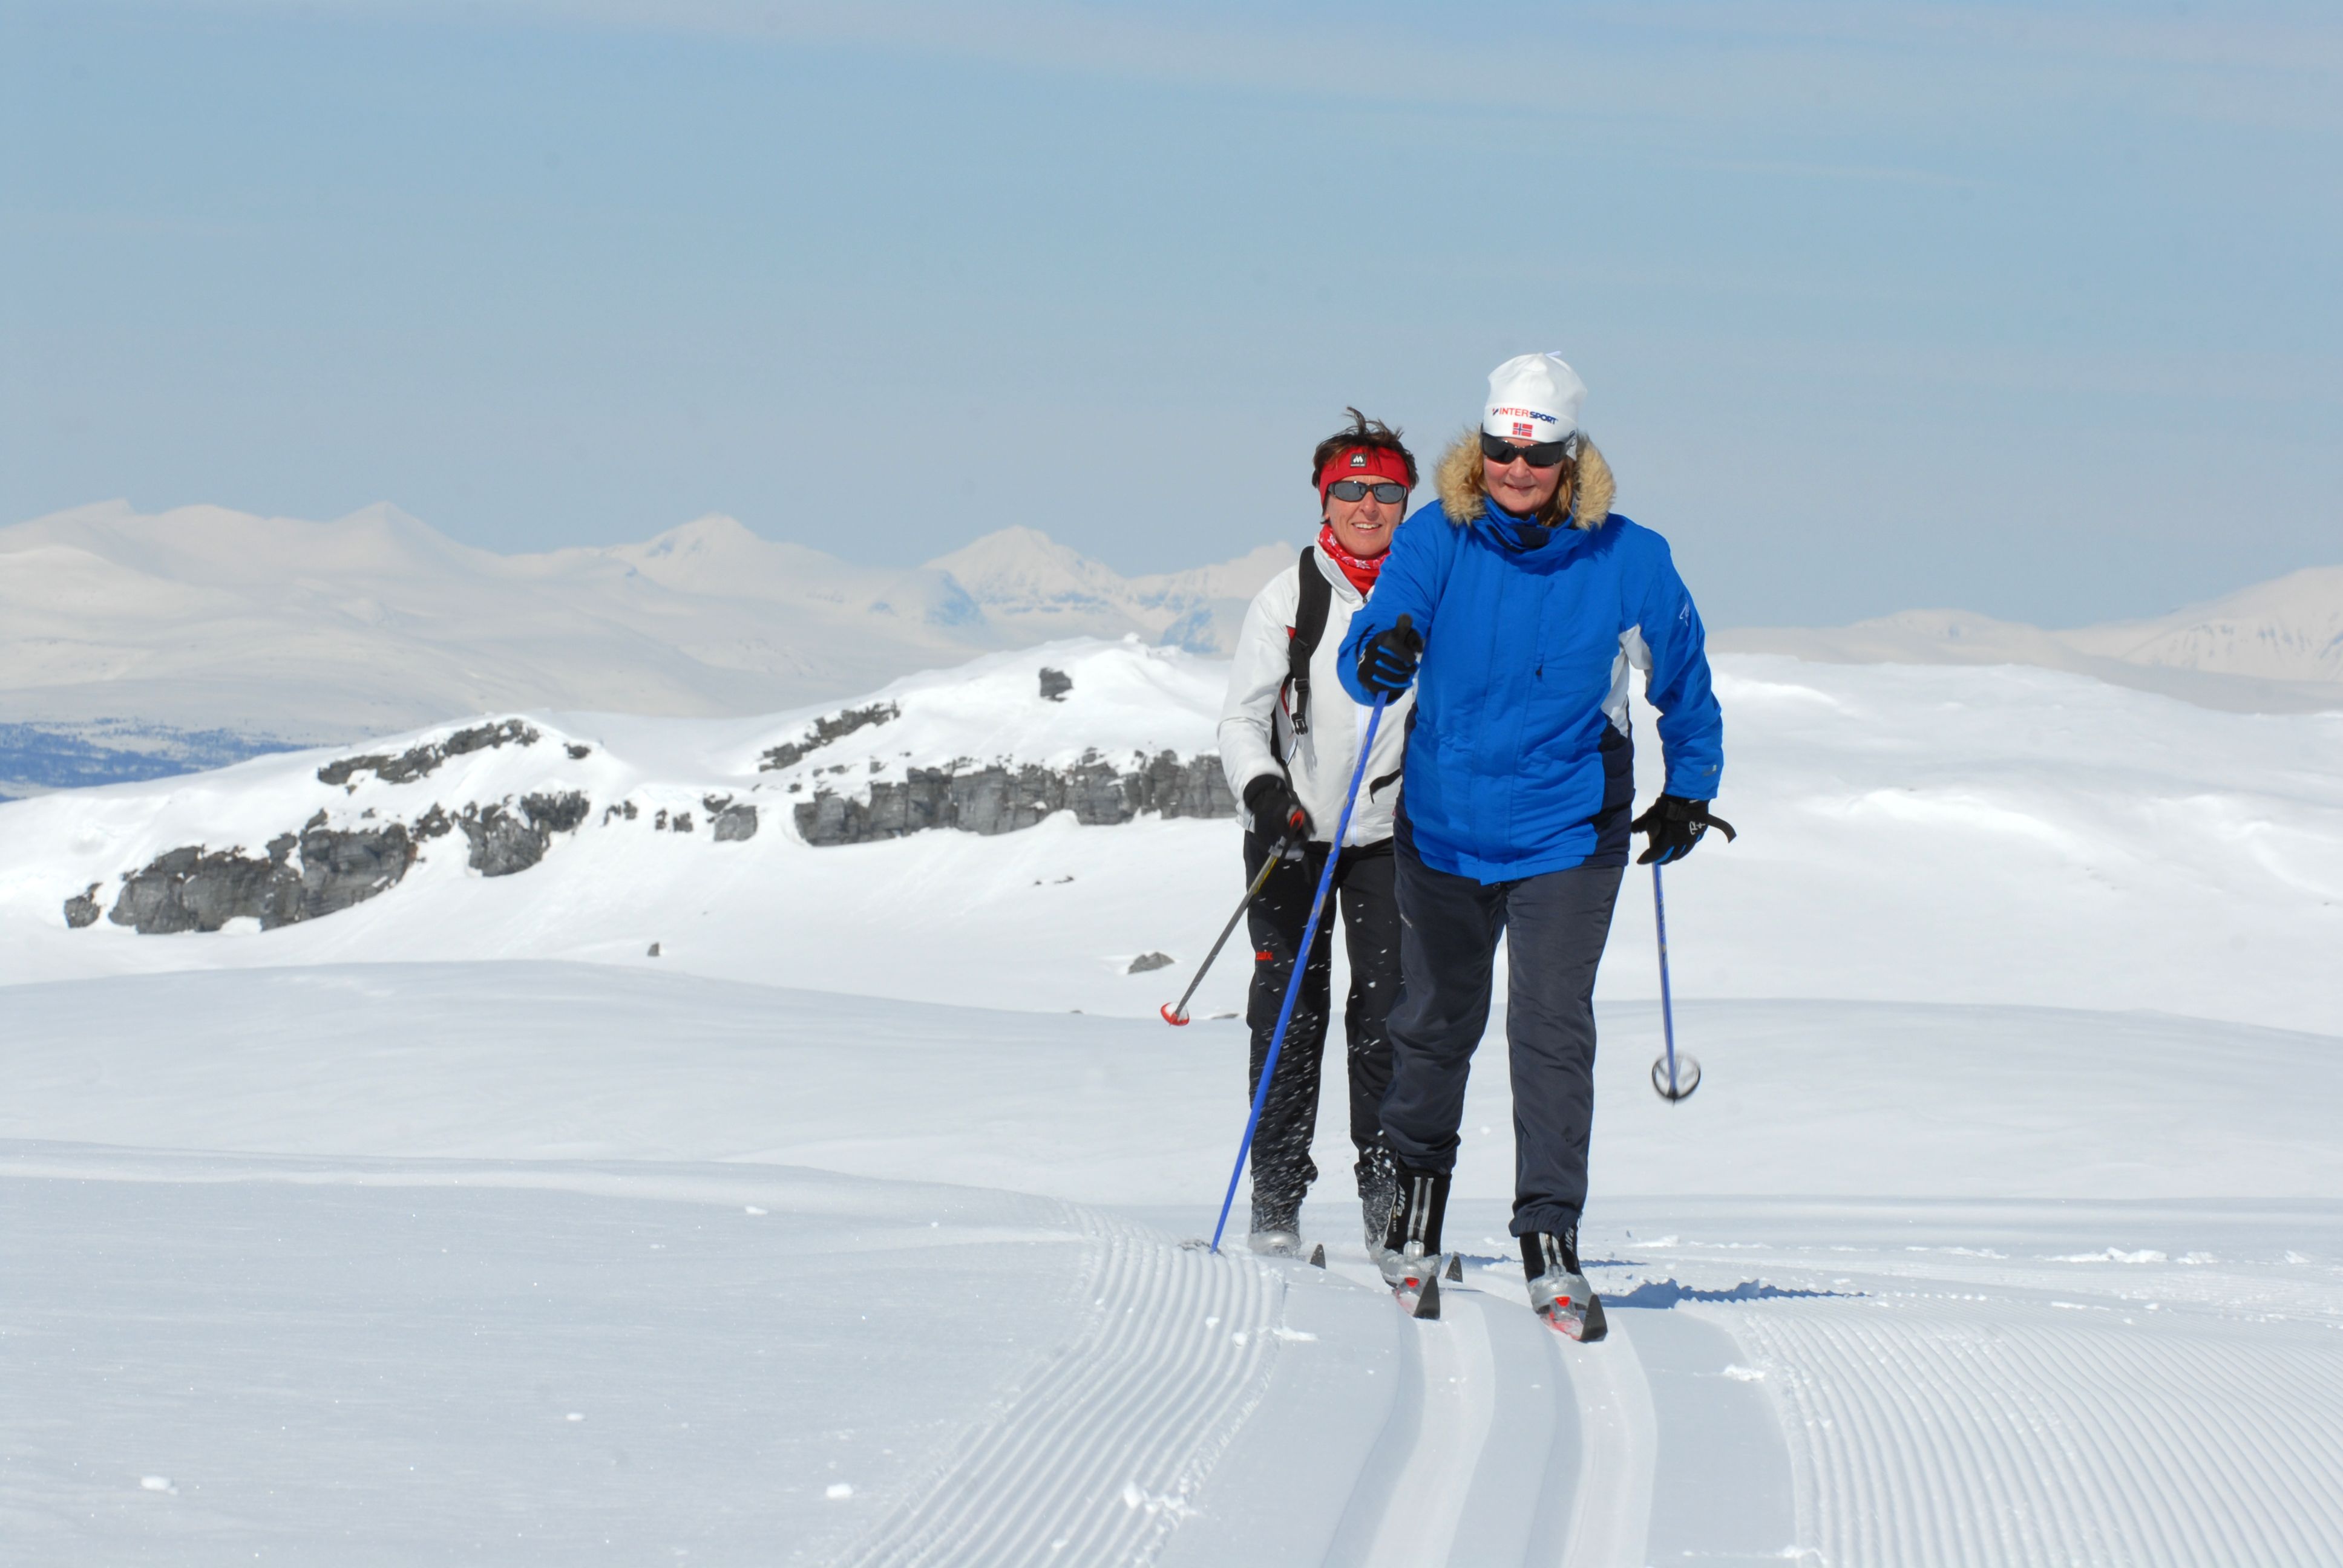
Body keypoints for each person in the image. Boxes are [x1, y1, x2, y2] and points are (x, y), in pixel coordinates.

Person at [1337, 354, 1730, 1338]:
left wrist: (1689, 788)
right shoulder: (1437, 538)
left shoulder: (1628, 557)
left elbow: (1683, 676)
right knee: (1435, 1022)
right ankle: (1412, 1215)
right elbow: (1376, 641)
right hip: (1446, 819)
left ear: (1570, 456)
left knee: (1551, 1032)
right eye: (1505, 450)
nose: (1518, 469)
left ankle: (1549, 1239)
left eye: (1539, 453)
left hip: (1568, 827)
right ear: (1483, 447)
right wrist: (1377, 655)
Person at [1217, 409, 1418, 1256]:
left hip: (1389, 841)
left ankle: (1386, 1204)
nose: (1366, 506)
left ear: (1407, 501)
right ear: (1323, 498)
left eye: (1385, 491)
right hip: (1291, 839)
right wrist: (1268, 797)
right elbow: (1240, 720)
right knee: (1289, 1017)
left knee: (1387, 1021)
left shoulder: (1426, 590)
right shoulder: (1288, 595)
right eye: (1349, 490)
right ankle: (1275, 1206)